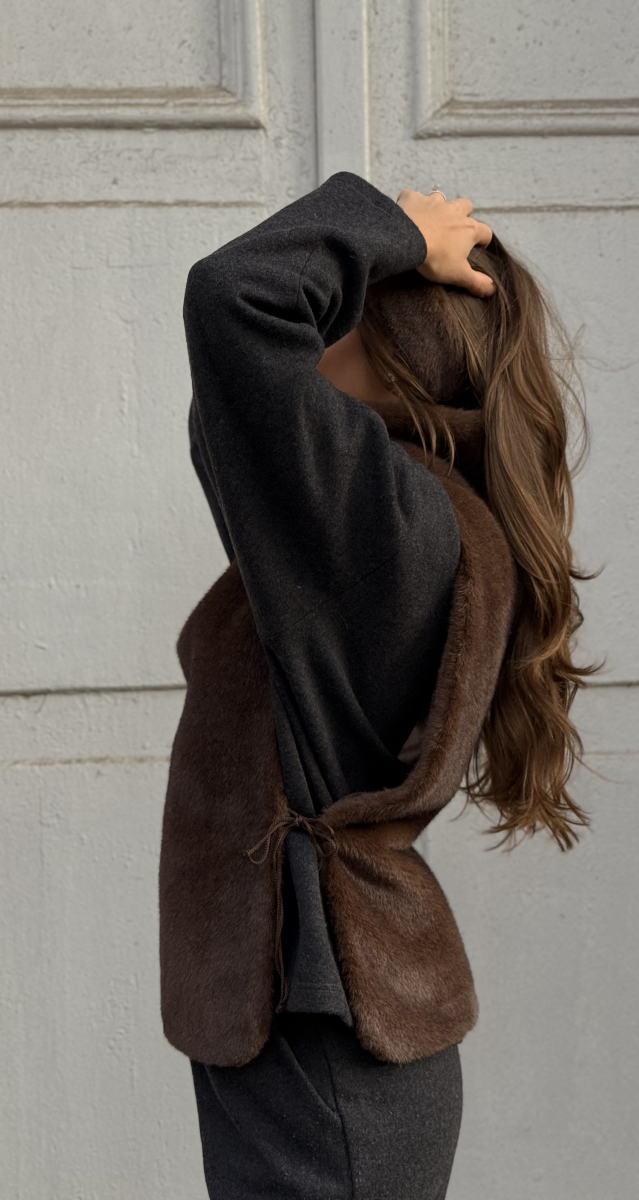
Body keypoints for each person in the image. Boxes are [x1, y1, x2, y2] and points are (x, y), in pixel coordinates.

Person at [172, 172, 597, 1199]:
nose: (321, 324)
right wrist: (380, 246)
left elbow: (235, 299)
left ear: (404, 352)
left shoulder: (392, 521)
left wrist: (391, 231)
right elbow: (226, 406)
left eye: (347, 307)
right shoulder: (374, 521)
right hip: (313, 1024)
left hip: (330, 1049)